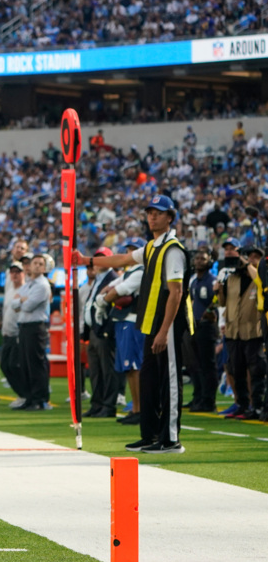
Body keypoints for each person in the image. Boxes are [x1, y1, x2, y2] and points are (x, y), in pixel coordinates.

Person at [76, 195, 192, 454]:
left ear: (170, 217)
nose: (152, 216)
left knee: (169, 381)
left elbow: (176, 293)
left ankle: (171, 440)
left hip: (167, 326)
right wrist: (88, 261)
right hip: (151, 324)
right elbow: (122, 260)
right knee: (150, 380)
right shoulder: (152, 247)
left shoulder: (172, 249)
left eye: (158, 213)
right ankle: (150, 435)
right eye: (150, 212)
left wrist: (164, 330)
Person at [101, 239, 146, 426]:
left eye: (134, 250)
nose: (130, 253)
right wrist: (108, 295)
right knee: (129, 369)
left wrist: (104, 299)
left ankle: (140, 409)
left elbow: (118, 291)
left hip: (133, 321)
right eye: (128, 250)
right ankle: (136, 407)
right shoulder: (129, 272)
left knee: (135, 367)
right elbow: (109, 288)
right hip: (124, 321)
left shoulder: (141, 271)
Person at [217, 248, 265, 420]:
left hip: (254, 332)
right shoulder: (233, 278)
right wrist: (219, 289)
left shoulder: (260, 278)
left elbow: (259, 280)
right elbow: (222, 303)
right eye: (249, 256)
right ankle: (242, 405)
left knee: (256, 371)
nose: (251, 259)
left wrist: (249, 265)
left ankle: (257, 406)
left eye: (256, 257)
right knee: (236, 371)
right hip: (233, 332)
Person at [12, 254, 53, 411]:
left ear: (44, 267)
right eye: (34, 263)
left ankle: (39, 398)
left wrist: (21, 300)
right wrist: (22, 300)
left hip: (36, 326)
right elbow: (13, 304)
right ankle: (30, 397)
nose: (35, 266)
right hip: (24, 326)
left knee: (35, 363)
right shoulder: (28, 284)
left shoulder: (42, 285)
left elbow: (27, 306)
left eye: (39, 263)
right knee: (25, 363)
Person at [82, 248, 119, 417]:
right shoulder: (99, 279)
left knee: (107, 370)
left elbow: (115, 307)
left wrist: (106, 330)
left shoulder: (113, 280)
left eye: (103, 258)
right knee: (96, 371)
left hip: (104, 332)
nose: (99, 262)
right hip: (94, 331)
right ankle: (97, 403)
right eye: (97, 259)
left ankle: (108, 405)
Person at [187, 248, 218, 412]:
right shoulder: (194, 281)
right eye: (197, 258)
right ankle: (198, 396)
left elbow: (217, 301)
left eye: (203, 259)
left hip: (206, 326)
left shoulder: (212, 281)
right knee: (195, 364)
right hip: (195, 326)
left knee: (207, 364)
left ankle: (208, 401)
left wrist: (210, 312)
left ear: (209, 262)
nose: (199, 261)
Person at [0, 261, 27, 407]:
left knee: (14, 365)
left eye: (18, 271)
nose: (15, 274)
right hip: (7, 333)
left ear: (24, 273)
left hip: (17, 333)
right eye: (13, 272)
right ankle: (22, 394)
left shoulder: (25, 290)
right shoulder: (10, 289)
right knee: (5, 365)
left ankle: (25, 394)